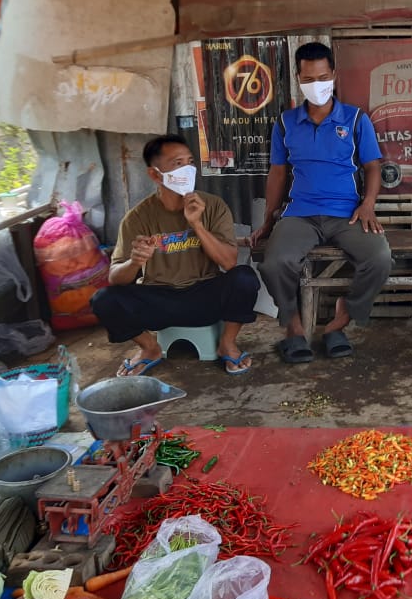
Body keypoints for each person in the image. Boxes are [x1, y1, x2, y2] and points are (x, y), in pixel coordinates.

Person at [252, 41, 393, 363]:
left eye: (323, 77)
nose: (317, 86)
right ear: (299, 79)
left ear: (334, 75)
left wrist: (368, 204)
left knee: (380, 258)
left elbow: (373, 166)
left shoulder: (356, 119)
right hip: (300, 214)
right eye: (309, 79)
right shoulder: (286, 123)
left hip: (347, 214)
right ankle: (294, 327)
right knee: (274, 263)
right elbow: (277, 173)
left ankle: (340, 320)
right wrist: (269, 220)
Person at [92, 134, 261, 377]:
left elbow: (229, 262)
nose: (187, 169)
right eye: (177, 163)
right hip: (158, 298)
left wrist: (198, 225)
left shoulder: (212, 206)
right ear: (154, 174)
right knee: (104, 299)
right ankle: (150, 348)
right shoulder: (137, 218)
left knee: (244, 278)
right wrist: (135, 262)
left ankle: (228, 343)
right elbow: (115, 278)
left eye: (190, 162)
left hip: (204, 293)